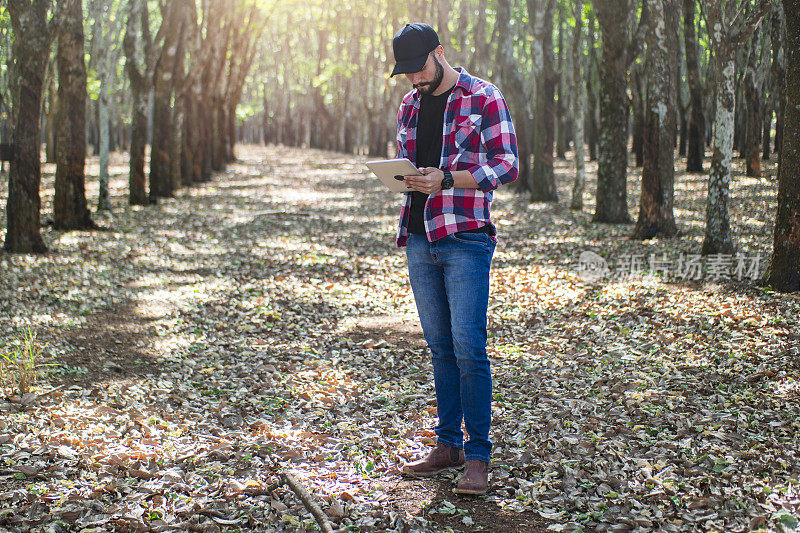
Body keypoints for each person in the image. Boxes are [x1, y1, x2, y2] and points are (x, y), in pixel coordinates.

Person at [389, 22, 518, 495]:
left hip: (465, 237)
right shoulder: (409, 104)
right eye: (405, 72)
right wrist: (405, 177)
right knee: (440, 347)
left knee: (468, 347)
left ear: (440, 53)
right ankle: (448, 445)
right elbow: (410, 162)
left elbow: (507, 165)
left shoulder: (484, 96)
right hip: (420, 237)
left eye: (418, 68)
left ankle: (478, 455)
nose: (413, 79)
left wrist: (447, 179)